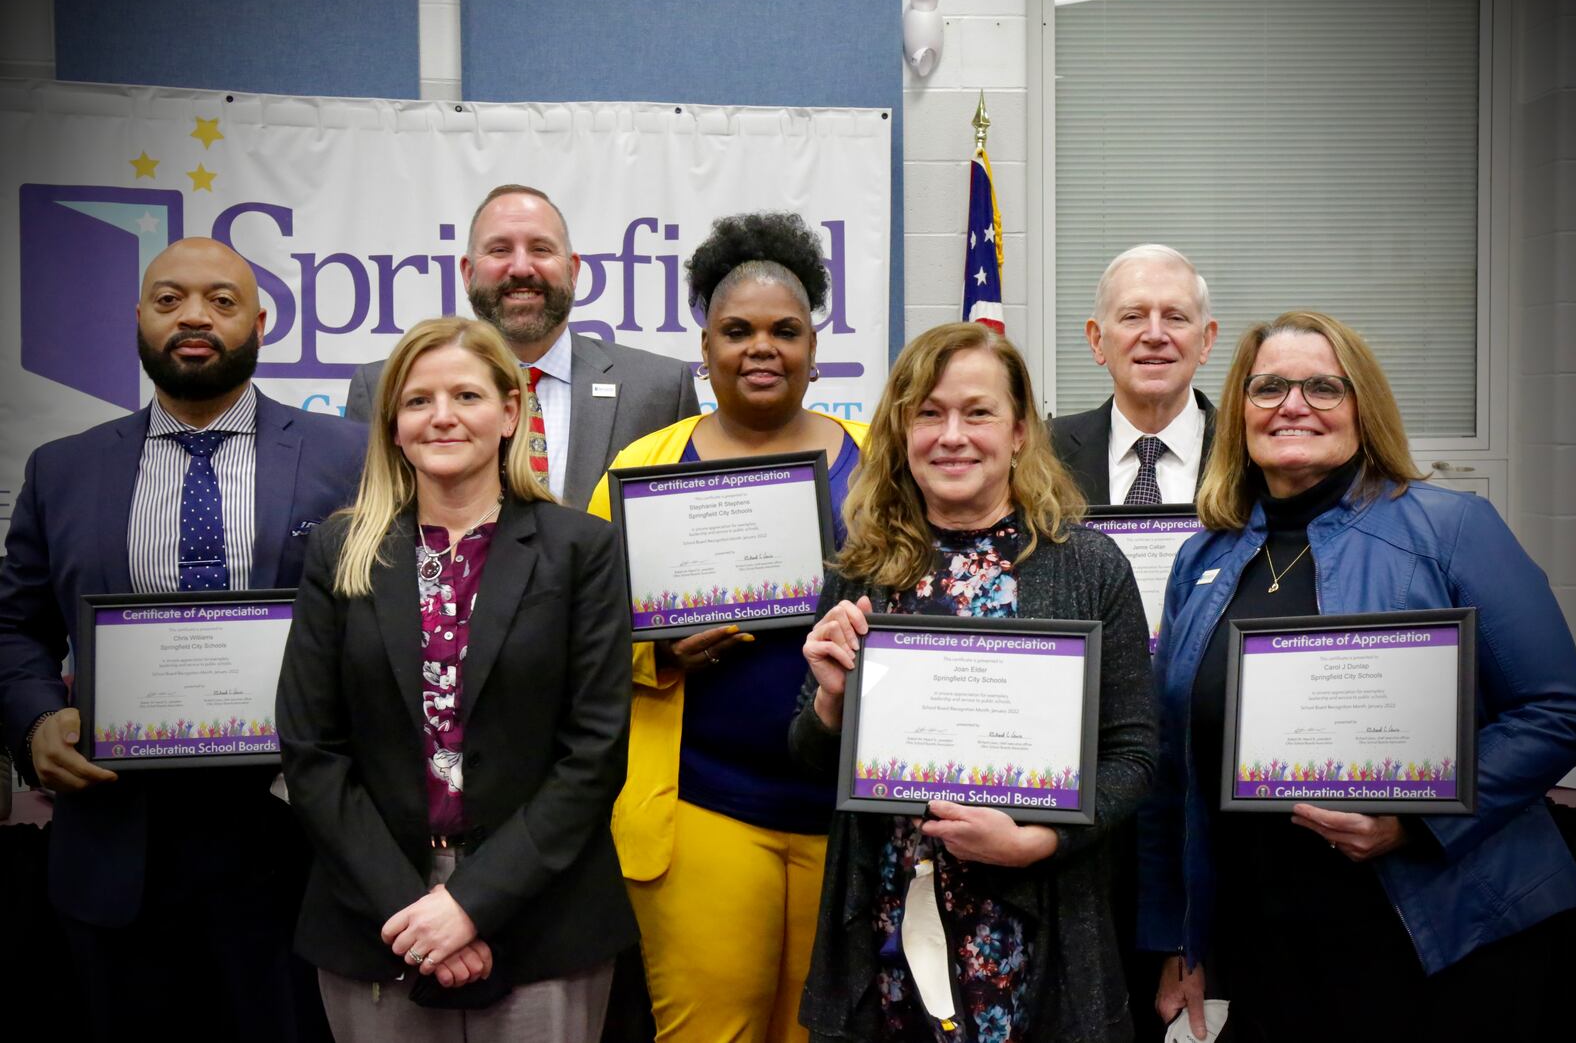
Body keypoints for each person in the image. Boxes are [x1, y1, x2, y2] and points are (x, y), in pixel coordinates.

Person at [1140, 311, 1576, 1042]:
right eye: (1269, 387)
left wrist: (1412, 820)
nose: (1293, 404)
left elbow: (1556, 711)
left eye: (1323, 385)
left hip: (1443, 936)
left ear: (1363, 406)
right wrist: (1180, 944)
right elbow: (1173, 771)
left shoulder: (1451, 528)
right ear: (1240, 411)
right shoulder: (1202, 557)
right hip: (1266, 946)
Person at [0, 237, 366, 1040]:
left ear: (261, 322)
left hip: (294, 844)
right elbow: (14, 624)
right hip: (117, 842)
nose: (194, 316)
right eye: (169, 300)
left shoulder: (350, 456)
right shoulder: (63, 468)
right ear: (138, 318)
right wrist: (34, 720)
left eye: (221, 300)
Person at [791, 322, 1157, 1042]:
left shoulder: (1090, 567)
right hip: (891, 914)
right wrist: (830, 701)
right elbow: (809, 759)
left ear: (1020, 431)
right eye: (929, 412)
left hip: (1039, 913)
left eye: (977, 412)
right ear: (901, 431)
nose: (951, 434)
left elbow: (1135, 756)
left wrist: (1039, 841)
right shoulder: (861, 566)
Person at [277, 316, 636, 1041]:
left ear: (509, 413)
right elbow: (312, 751)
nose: (442, 417)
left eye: (466, 396)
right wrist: (417, 908)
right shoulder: (340, 551)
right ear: (393, 424)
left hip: (542, 915)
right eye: (418, 401)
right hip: (379, 915)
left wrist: (471, 902)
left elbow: (593, 754)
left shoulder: (581, 550)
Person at [586, 211, 867, 1042]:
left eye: (786, 330)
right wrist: (657, 654)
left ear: (815, 348)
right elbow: (580, 640)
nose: (761, 347)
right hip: (703, 808)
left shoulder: (882, 464)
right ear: (704, 350)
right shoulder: (639, 468)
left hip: (851, 816)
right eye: (735, 329)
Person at [346, 184, 700, 504]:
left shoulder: (661, 390)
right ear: (468, 273)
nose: (520, 267)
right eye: (499, 250)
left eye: (541, 249)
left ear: (573, 271)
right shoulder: (382, 389)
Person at [1050, 244, 1219, 505]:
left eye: (1175, 317)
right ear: (1097, 341)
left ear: (1206, 341)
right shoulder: (1045, 451)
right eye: (1133, 317)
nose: (1154, 335)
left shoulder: (1247, 450)